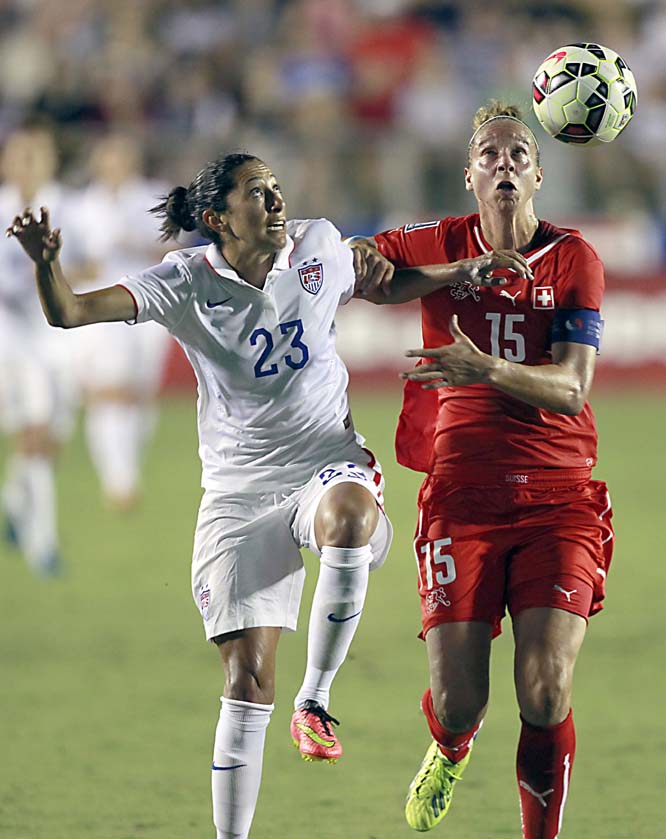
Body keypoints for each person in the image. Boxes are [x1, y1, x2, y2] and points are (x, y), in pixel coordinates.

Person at [7, 153, 393, 839]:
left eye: (277, 186)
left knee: (350, 514)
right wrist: (46, 262)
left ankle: (317, 698)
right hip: (239, 494)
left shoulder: (320, 244)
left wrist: (464, 272)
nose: (275, 199)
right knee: (247, 679)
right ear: (217, 218)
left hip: (323, 465)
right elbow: (67, 311)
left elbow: (391, 278)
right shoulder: (186, 280)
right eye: (257, 192)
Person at [351, 101, 614, 839]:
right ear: (469, 175)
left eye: (519, 154)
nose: (505, 163)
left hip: (559, 498)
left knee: (545, 685)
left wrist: (484, 368)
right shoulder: (440, 241)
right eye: (490, 154)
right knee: (461, 699)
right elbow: (352, 263)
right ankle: (452, 744)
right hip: (462, 496)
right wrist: (446, 271)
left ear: (538, 174)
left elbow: (572, 387)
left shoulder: (572, 259)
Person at [70, 133, 172, 511]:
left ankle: (128, 468)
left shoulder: (155, 198)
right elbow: (63, 264)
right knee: (109, 390)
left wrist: (141, 246)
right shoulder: (79, 206)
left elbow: (179, 251)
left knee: (140, 393)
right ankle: (119, 480)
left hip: (150, 305)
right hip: (100, 306)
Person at [0, 123, 80, 575]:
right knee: (32, 431)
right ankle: (42, 544)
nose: (27, 165)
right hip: (12, 337)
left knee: (53, 438)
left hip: (58, 336)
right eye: (19, 155)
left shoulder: (68, 206)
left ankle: (13, 502)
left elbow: (91, 260)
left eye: (35, 156)